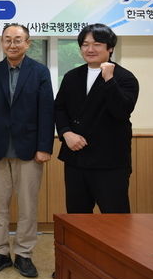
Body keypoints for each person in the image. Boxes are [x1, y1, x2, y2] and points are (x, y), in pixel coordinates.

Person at [0, 23, 54, 279]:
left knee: (28, 206)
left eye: (18, 40)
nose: (12, 44)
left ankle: (24, 254)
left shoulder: (39, 71)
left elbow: (47, 111)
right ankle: (0, 252)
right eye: (7, 39)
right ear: (2, 43)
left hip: (29, 149)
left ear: (28, 43)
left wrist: (44, 147)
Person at [55, 23, 139, 213]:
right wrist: (66, 133)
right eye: (85, 44)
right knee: (77, 217)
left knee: (115, 219)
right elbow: (59, 108)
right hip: (76, 158)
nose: (90, 49)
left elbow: (122, 111)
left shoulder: (125, 78)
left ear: (110, 48)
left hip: (110, 162)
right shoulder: (72, 76)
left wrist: (109, 80)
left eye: (97, 44)